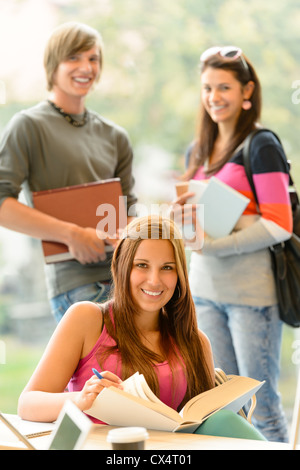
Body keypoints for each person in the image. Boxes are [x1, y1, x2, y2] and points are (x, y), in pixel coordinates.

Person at [18, 215, 265, 441]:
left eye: (167, 268)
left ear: (179, 275)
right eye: (142, 265)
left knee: (223, 421)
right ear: (122, 267)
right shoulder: (86, 318)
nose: (154, 280)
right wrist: (81, 398)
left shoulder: (195, 342)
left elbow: (200, 422)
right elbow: (27, 404)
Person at [171, 46, 292, 442]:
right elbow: (201, 232)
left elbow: (279, 224)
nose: (214, 97)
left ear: (247, 92)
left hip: (250, 298)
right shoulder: (198, 151)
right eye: (207, 88)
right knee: (222, 408)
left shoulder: (262, 146)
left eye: (224, 87)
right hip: (204, 295)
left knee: (263, 406)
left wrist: (213, 244)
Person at [0, 22, 137, 323]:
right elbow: (2, 205)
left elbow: (127, 212)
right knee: (98, 372)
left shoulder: (115, 135)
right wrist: (72, 234)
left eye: (93, 58)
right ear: (53, 65)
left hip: (127, 280)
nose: (86, 67)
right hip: (77, 285)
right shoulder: (28, 126)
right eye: (73, 58)